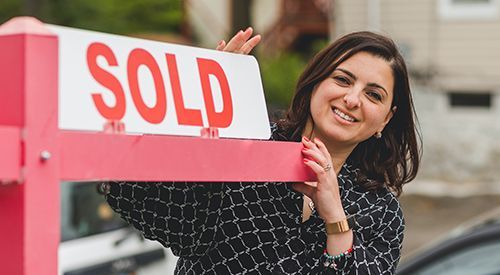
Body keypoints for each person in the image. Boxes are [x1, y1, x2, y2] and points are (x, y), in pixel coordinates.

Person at [103, 27, 421, 274]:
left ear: (386, 119)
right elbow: (133, 190)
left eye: (374, 95)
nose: (352, 99)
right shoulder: (247, 143)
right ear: (316, 82)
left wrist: (335, 218)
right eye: (342, 79)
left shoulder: (382, 212)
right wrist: (201, 109)